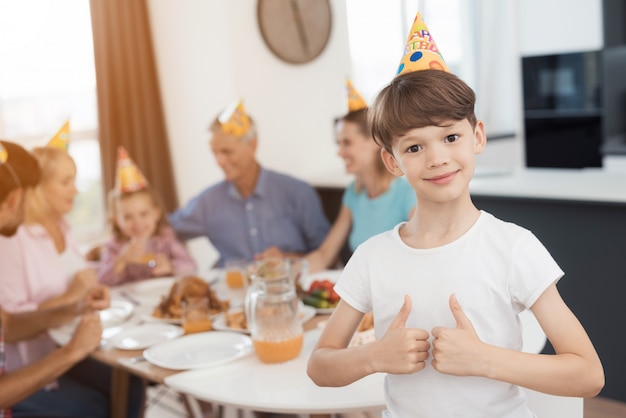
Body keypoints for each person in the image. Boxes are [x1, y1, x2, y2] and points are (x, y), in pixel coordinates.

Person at [307, 12, 604, 417]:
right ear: (392, 162)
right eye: (414, 148)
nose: (437, 158)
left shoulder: (513, 247)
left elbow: (588, 374)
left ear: (476, 136)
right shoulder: (373, 257)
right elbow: (320, 365)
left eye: (451, 137)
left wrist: (484, 359)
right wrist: (375, 356)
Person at [0, 142, 144, 417]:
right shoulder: (11, 240)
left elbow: (6, 322)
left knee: (127, 383)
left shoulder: (63, 227)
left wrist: (76, 307)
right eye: (66, 181)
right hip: (29, 363)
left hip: (56, 345)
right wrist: (71, 351)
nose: (75, 189)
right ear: (18, 197)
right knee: (91, 406)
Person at [262, 81, 415, 273]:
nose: (340, 153)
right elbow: (325, 255)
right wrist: (284, 270)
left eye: (347, 143)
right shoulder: (354, 194)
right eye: (339, 144)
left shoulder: (408, 194)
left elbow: (423, 254)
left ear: (375, 141)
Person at [169, 100, 330, 267]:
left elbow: (327, 254)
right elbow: (164, 229)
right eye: (214, 153)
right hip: (233, 289)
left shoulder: (297, 192)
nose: (219, 161)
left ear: (252, 146)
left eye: (227, 152)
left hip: (287, 287)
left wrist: (286, 258)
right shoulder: (208, 202)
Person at [98, 146, 197, 285]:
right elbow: (102, 281)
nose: (137, 222)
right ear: (116, 220)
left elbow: (191, 265)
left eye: (143, 214)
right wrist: (121, 261)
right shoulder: (113, 246)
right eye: (127, 217)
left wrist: (170, 266)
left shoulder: (165, 238)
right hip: (131, 302)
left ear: (156, 214)